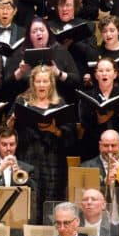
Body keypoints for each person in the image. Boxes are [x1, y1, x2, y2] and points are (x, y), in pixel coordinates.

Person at [13, 63, 75, 220]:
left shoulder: (59, 103)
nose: (41, 85)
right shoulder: (22, 101)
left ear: (51, 83)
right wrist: (11, 121)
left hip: (53, 162)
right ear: (33, 82)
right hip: (27, 157)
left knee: (51, 204)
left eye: (45, 81)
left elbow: (71, 135)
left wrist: (54, 130)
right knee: (30, 202)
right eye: (38, 81)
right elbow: (9, 129)